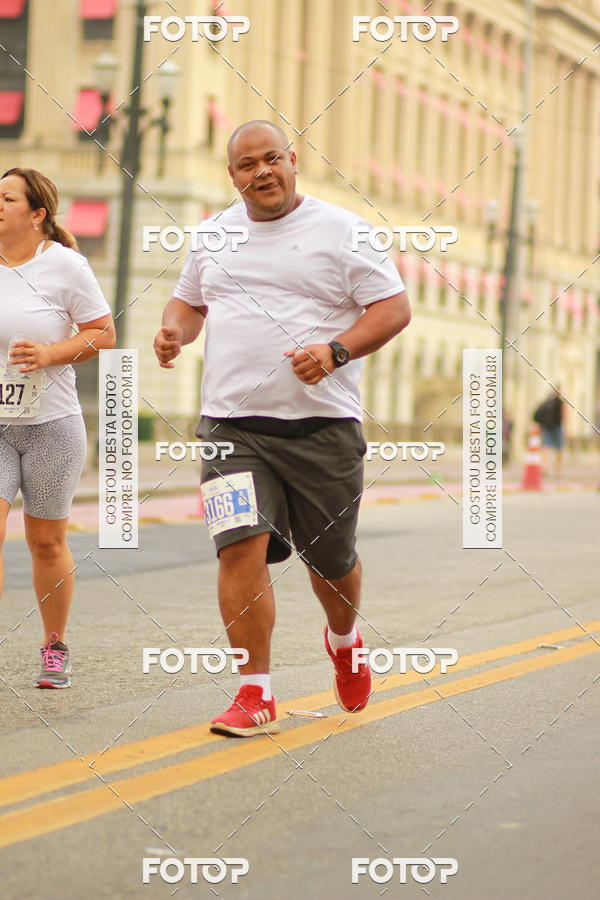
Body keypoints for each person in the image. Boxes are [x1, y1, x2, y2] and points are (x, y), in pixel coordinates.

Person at [153, 120, 411, 737]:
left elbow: (394, 308)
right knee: (238, 546)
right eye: (247, 164)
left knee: (331, 562)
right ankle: (254, 691)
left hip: (322, 427)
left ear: (293, 162)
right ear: (232, 175)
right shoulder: (214, 234)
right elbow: (189, 302)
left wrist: (337, 352)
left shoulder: (342, 231)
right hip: (231, 428)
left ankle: (344, 638)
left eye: (272, 159)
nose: (262, 172)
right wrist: (174, 333)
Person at [0, 168, 115, 688]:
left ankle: (53, 645)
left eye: (6, 198)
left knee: (45, 542)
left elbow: (102, 334)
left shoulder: (65, 266)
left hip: (52, 425)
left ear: (36, 213)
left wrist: (48, 353)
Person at [534, 387, 565, 479]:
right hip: (557, 427)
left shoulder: (547, 402)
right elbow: (564, 415)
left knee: (546, 448)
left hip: (547, 427)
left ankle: (545, 467)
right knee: (559, 449)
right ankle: (558, 470)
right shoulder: (560, 402)